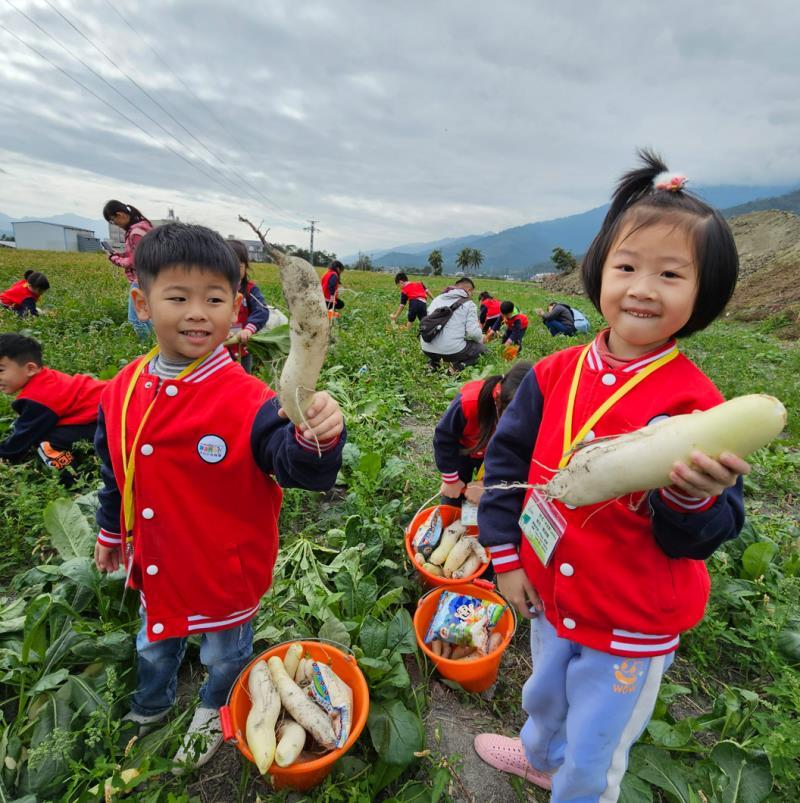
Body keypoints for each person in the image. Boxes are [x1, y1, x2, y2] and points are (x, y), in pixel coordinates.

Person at [473, 150, 748, 802]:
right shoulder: (550, 375)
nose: (643, 287)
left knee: (598, 743)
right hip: (549, 595)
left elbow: (706, 534)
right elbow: (507, 467)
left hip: (631, 622)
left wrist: (690, 498)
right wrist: (506, 558)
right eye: (627, 266)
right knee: (543, 691)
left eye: (670, 274)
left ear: (704, 293)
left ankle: (577, 787)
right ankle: (540, 754)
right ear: (598, 271)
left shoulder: (702, 411)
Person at [92, 223, 345, 772]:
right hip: (156, 561)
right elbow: (116, 468)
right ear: (142, 302)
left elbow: (291, 462)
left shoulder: (250, 400)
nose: (197, 313)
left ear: (237, 309)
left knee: (224, 654)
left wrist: (314, 435)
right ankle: (152, 703)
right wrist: (111, 529)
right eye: (177, 297)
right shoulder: (122, 390)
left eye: (214, 299)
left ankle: (214, 707)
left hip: (223, 570)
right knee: (152, 643)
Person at [0, 333, 105, 472]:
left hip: (114, 419)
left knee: (47, 443)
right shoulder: (46, 379)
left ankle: (71, 477)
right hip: (112, 407)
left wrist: (5, 453)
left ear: (30, 369)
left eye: (1, 370)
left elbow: (18, 444)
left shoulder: (37, 398)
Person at [434, 361, 532, 507]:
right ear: (498, 399)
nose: (517, 425)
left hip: (498, 455)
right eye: (511, 416)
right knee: (452, 498)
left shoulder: (534, 414)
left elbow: (519, 460)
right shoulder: (469, 402)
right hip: (463, 450)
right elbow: (444, 438)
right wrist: (451, 480)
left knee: (490, 498)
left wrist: (488, 484)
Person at [102, 200, 154, 340]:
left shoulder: (135, 233)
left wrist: (115, 259)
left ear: (119, 215)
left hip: (142, 279)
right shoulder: (142, 227)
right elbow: (137, 253)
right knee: (146, 315)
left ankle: (146, 350)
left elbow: (136, 261)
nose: (115, 224)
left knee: (136, 319)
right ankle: (154, 345)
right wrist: (119, 254)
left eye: (112, 220)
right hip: (151, 278)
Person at [420, 277, 486, 372]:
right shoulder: (469, 304)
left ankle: (433, 364)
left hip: (426, 348)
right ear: (468, 290)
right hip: (451, 352)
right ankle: (455, 368)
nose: (471, 296)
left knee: (443, 344)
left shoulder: (437, 298)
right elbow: (473, 333)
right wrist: (481, 338)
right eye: (472, 293)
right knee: (481, 349)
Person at [226, 240, 270, 374]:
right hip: (219, 349)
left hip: (243, 349)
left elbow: (262, 310)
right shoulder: (213, 290)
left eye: (238, 267)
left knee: (243, 380)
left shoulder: (250, 290)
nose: (234, 272)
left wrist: (249, 329)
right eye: (228, 266)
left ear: (245, 267)